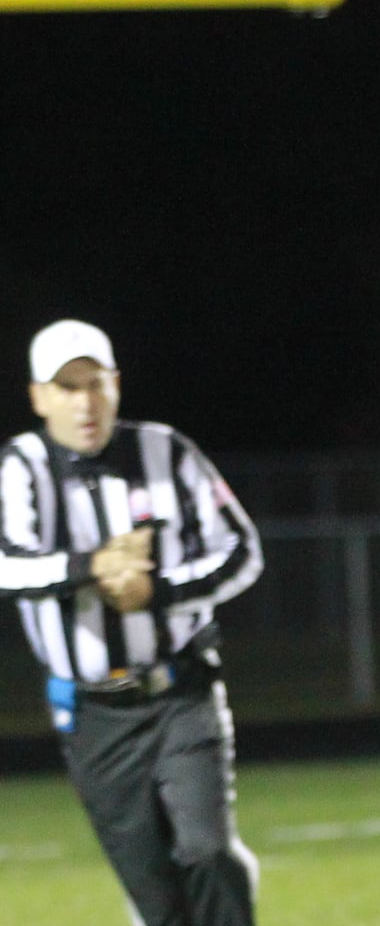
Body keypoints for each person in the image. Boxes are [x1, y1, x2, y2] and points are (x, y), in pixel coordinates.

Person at [0, 319, 264, 926]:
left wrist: (157, 592)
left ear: (115, 385)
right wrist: (90, 566)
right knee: (153, 890)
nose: (84, 401)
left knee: (206, 849)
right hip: (92, 713)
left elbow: (242, 551)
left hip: (181, 690)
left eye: (95, 383)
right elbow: (11, 565)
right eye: (66, 387)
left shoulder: (166, 451)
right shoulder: (23, 466)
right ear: (38, 397)